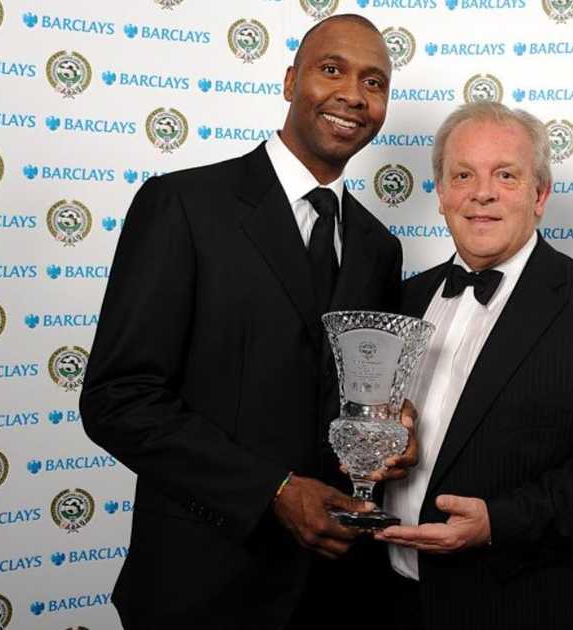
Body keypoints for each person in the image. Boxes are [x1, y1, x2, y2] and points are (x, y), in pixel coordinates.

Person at [80, 14, 406, 629]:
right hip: (202, 586)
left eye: (374, 83)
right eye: (331, 70)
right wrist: (275, 491)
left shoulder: (376, 247)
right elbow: (118, 399)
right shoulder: (182, 206)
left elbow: (365, 405)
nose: (353, 96)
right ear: (289, 81)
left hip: (338, 593)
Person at [374, 102, 573, 629]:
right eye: (463, 175)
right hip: (396, 601)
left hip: (529, 606)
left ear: (540, 194)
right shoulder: (403, 301)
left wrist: (496, 523)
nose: (481, 192)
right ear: (440, 194)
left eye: (505, 175)